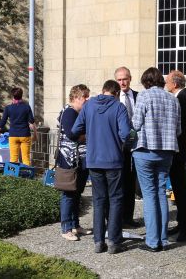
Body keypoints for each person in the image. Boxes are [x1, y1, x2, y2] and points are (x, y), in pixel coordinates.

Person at [71, 80, 130, 254]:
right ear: (117, 93)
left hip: (94, 160)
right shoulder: (119, 107)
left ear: (102, 91)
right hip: (113, 160)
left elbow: (75, 130)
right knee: (116, 200)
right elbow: (126, 133)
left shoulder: (88, 107)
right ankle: (113, 241)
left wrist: (89, 136)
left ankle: (98, 242)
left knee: (99, 200)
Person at [131, 67, 181, 252]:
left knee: (150, 195)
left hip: (145, 150)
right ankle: (163, 239)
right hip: (167, 151)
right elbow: (178, 130)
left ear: (146, 82)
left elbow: (135, 124)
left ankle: (152, 241)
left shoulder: (144, 96)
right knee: (161, 192)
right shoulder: (172, 99)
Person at [57, 84, 92, 241]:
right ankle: (66, 228)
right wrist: (86, 135)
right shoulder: (69, 112)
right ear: (76, 97)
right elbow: (72, 134)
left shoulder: (77, 112)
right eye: (85, 96)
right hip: (69, 160)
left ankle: (75, 225)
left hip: (79, 159)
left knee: (77, 193)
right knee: (69, 194)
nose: (87, 99)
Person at [165, 70, 186, 242]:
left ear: (175, 84)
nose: (166, 83)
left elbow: (179, 128)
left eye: (167, 81)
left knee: (181, 191)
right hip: (180, 150)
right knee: (178, 189)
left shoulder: (181, 99)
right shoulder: (183, 97)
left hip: (178, 151)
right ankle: (182, 223)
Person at [114, 66, 141, 228]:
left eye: (125, 79)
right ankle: (117, 219)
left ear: (130, 79)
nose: (122, 82)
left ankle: (128, 218)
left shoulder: (139, 96)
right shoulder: (113, 99)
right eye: (119, 79)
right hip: (118, 146)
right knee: (119, 182)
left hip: (136, 145)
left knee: (131, 183)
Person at [0, 87, 35, 165]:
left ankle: (13, 175)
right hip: (25, 134)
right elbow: (31, 121)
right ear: (21, 95)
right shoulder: (27, 107)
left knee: (13, 158)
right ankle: (26, 175)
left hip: (13, 134)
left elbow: (3, 121)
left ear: (12, 96)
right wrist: (35, 133)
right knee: (26, 157)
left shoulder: (8, 108)